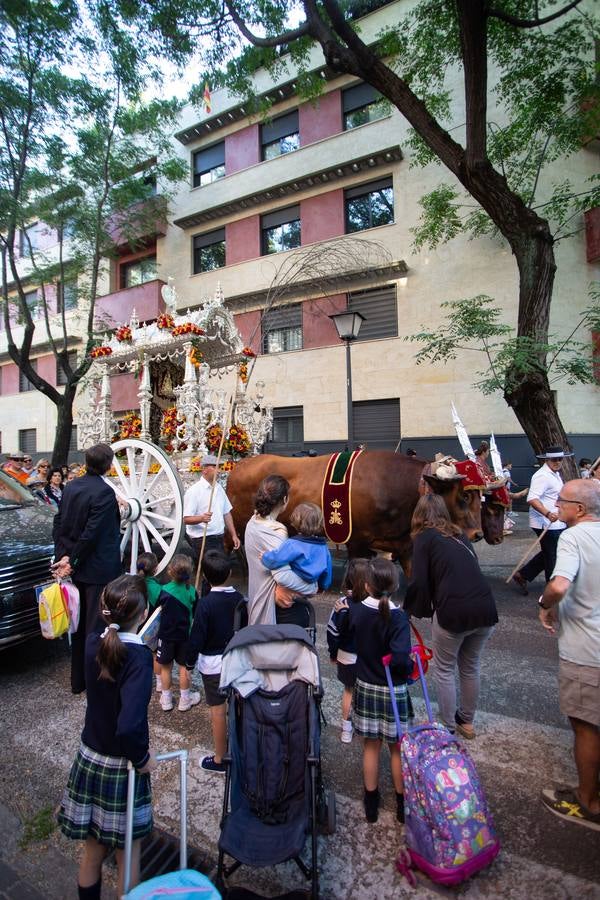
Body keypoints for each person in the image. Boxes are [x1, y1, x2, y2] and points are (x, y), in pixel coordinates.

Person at [57, 574, 156, 898]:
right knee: (129, 854)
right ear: (143, 616)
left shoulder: (91, 642)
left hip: (89, 755)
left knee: (93, 852)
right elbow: (129, 725)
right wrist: (142, 759)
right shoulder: (139, 659)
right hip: (121, 766)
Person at [405, 494, 498, 739]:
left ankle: (445, 726)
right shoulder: (459, 536)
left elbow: (420, 581)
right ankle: (466, 722)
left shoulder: (424, 538)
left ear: (419, 515)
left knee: (444, 669)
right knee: (470, 667)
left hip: (454, 611)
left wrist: (411, 610)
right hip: (486, 607)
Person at [538, 478, 600, 830]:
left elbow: (559, 584)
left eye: (561, 501)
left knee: (586, 726)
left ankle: (588, 799)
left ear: (579, 510)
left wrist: (545, 603)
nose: (556, 505)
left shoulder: (573, 537)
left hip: (587, 648)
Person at [336, 558, 412, 824]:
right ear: (395, 584)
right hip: (393, 689)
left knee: (370, 747)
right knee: (396, 749)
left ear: (366, 585)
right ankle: (403, 805)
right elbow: (402, 659)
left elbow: (346, 634)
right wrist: (409, 667)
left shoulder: (355, 611)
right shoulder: (399, 617)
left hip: (366, 685)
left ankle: (371, 803)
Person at [52, 443, 122, 694]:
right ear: (108, 465)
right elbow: (91, 534)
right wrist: (72, 560)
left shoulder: (71, 486)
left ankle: (78, 681)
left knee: (78, 627)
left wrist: (64, 555)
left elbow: (59, 521)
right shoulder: (103, 492)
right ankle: (95, 683)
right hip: (97, 570)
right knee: (95, 627)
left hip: (79, 567)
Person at [185, 551, 246, 774]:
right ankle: (243, 751)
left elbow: (197, 637)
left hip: (212, 664)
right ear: (230, 573)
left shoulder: (205, 604)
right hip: (237, 660)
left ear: (206, 579)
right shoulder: (240, 599)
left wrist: (189, 662)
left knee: (218, 711)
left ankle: (220, 758)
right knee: (239, 707)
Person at [511, 445, 572, 596]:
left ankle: (523, 575)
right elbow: (532, 498)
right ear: (547, 459)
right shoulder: (542, 475)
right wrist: (547, 513)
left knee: (550, 551)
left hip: (557, 521)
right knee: (552, 554)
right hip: (545, 522)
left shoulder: (555, 474)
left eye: (560, 459)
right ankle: (552, 589)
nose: (557, 462)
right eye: (554, 459)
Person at [327, 557, 369, 744]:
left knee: (348, 691)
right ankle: (367, 728)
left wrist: (333, 653)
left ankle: (346, 728)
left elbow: (333, 632)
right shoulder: (374, 604)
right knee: (367, 691)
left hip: (346, 656)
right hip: (369, 658)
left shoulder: (342, 604)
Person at [244, 474, 296, 625]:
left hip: (255, 590)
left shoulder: (252, 522)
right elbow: (282, 571)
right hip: (271, 596)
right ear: (285, 500)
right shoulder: (277, 530)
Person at [155, 554, 200, 712]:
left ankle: (166, 699)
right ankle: (185, 699)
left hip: (166, 635)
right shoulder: (192, 592)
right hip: (184, 636)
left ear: (170, 572)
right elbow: (195, 614)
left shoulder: (164, 591)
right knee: (183, 668)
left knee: (166, 668)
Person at [261, 501, 332, 599]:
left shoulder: (292, 544)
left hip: (296, 582)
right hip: (312, 583)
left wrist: (265, 556)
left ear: (295, 522)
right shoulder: (323, 547)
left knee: (278, 573)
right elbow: (327, 571)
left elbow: (276, 559)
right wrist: (323, 586)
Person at [183, 454, 241, 563]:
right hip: (203, 540)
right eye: (214, 467)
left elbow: (226, 513)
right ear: (204, 469)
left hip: (219, 537)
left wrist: (233, 535)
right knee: (210, 571)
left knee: (217, 572)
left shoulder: (218, 488)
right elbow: (186, 519)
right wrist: (201, 518)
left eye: (219, 467)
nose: (218, 470)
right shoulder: (194, 491)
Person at [136, 552, 163, 694]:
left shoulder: (134, 584)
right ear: (155, 569)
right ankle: (159, 683)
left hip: (137, 623)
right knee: (155, 655)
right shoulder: (157, 588)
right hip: (152, 626)